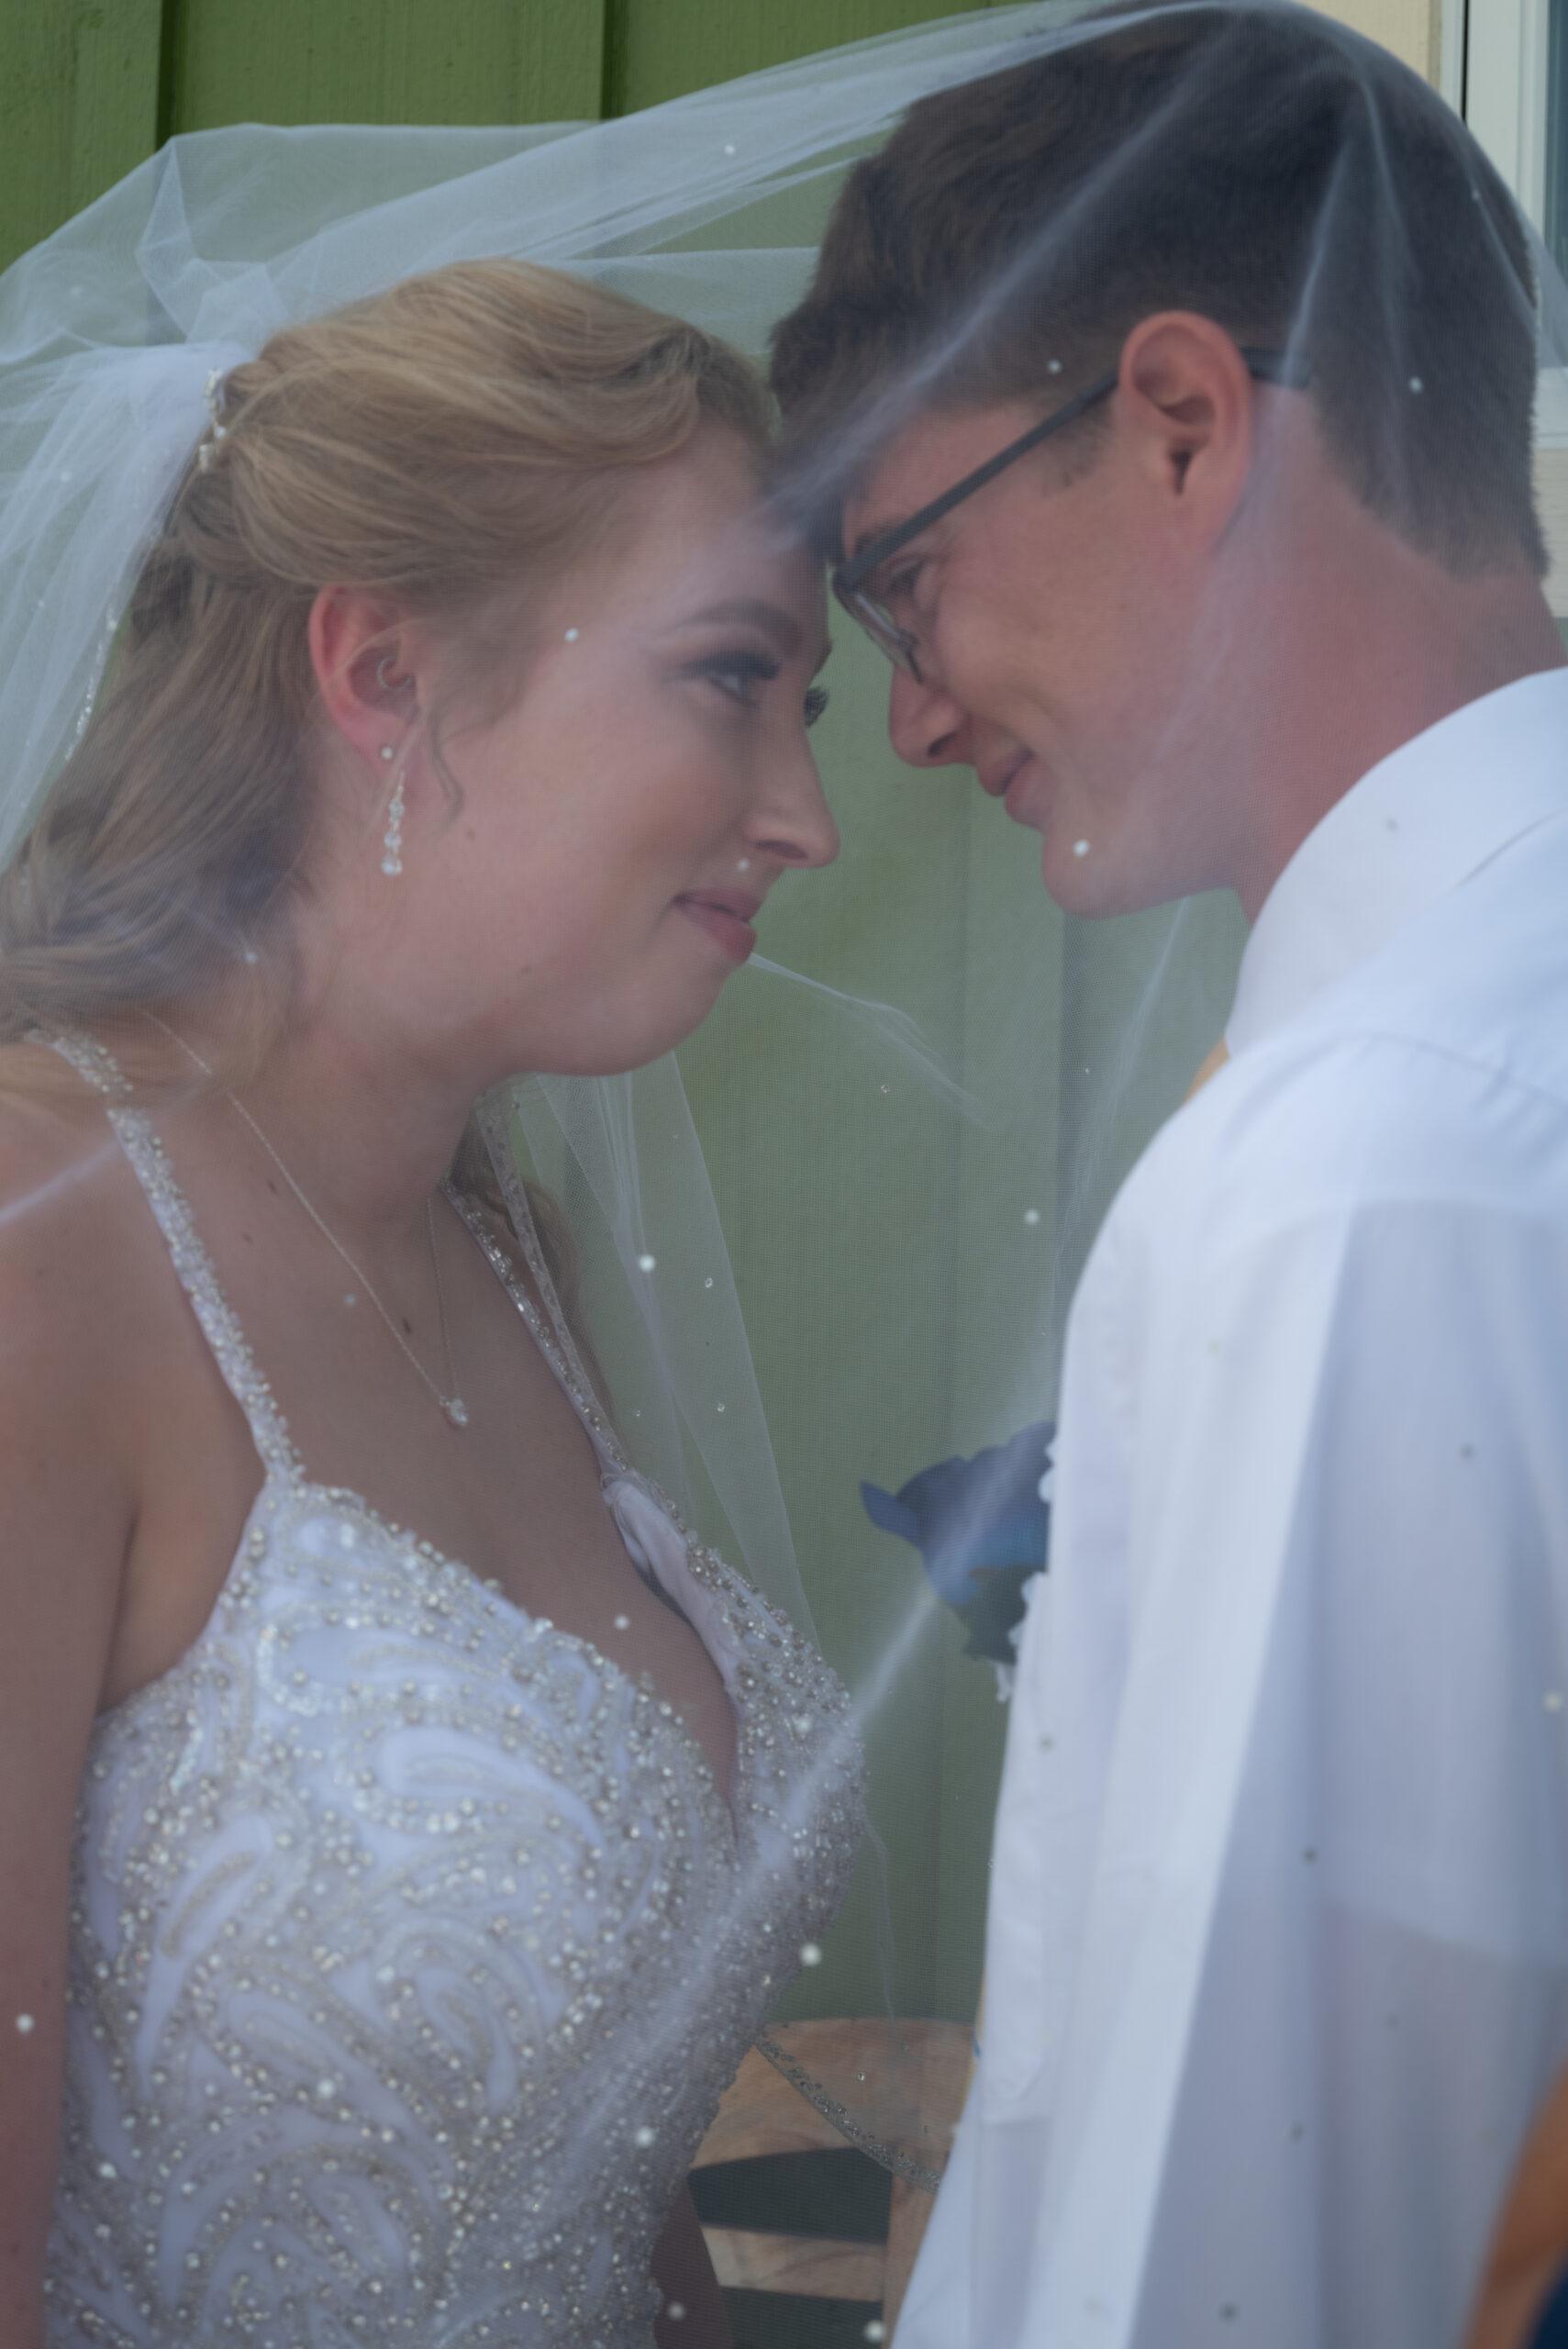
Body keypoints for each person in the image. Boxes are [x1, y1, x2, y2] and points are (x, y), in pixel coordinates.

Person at [769, 3, 1568, 2343]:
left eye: (906, 577)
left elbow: (1242, 2229)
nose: (910, 715)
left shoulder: (1364, 1164)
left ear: (1184, 422)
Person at [0, 254, 866, 2348]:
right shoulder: (41, 1245)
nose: (807, 818)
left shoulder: (514, 1254)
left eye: (810, 709)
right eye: (728, 677)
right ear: (382, 671)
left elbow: (583, 2152)